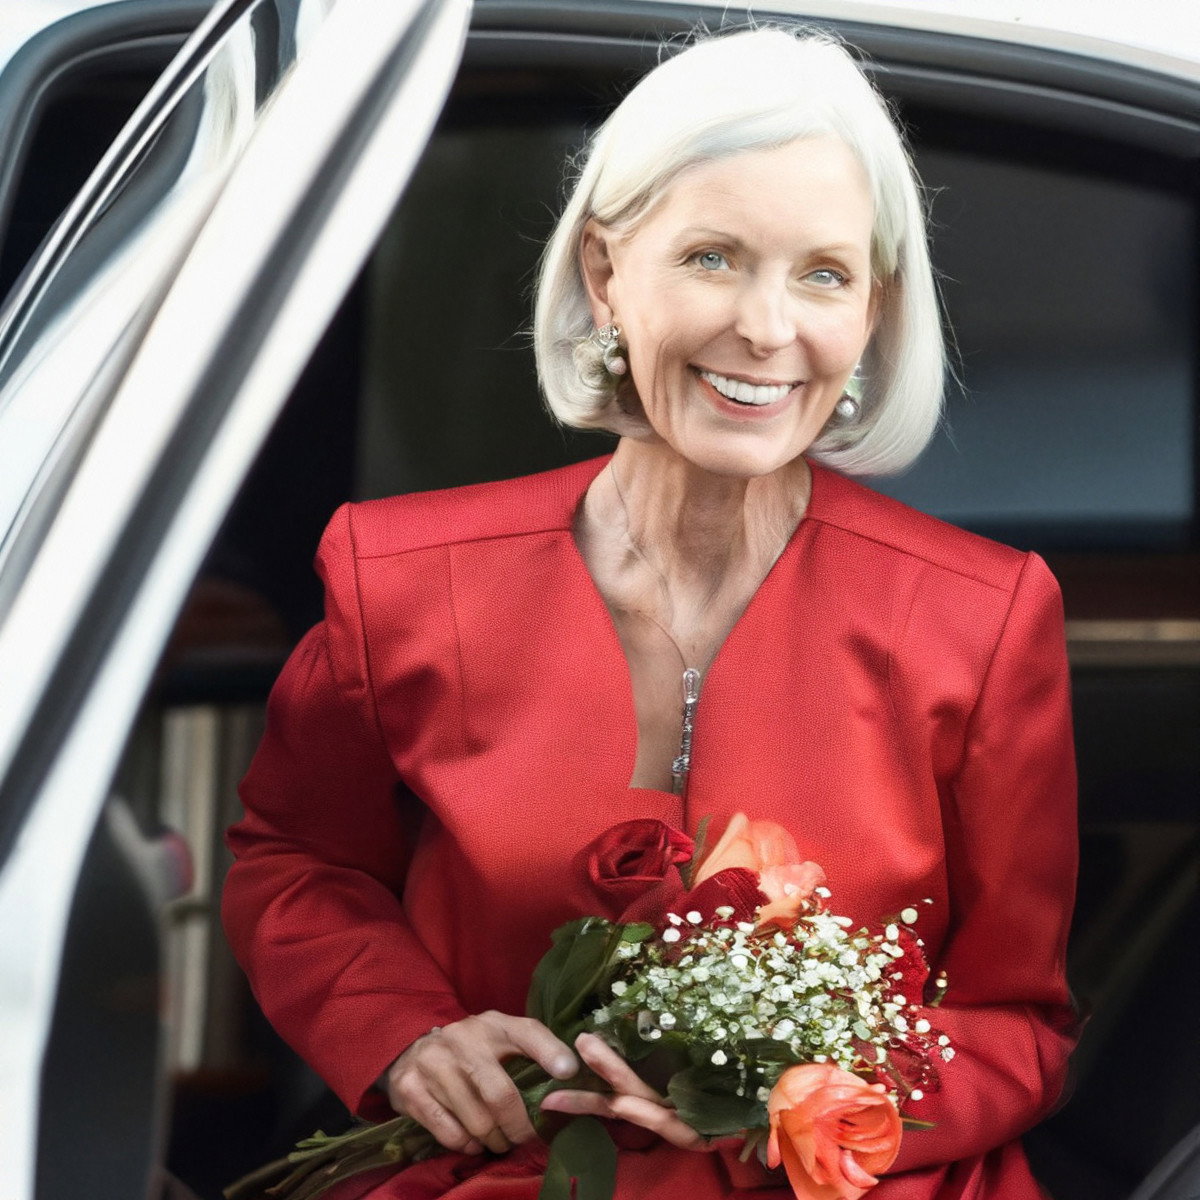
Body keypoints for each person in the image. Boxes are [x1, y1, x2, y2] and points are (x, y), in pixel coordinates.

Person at [222, 26, 1078, 1200]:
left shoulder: (983, 619)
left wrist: (824, 1112)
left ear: (874, 309)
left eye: (824, 274)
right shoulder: (404, 579)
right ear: (604, 272)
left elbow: (1018, 1022)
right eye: (713, 257)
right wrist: (406, 1033)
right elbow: (295, 860)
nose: (768, 329)